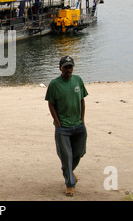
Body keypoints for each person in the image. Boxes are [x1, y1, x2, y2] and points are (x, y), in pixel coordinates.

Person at [45, 56, 88, 197]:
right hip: (63, 127)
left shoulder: (78, 80)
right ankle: (70, 184)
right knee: (66, 156)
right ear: (60, 68)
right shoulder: (54, 84)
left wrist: (82, 119)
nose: (68, 70)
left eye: (70, 67)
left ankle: (69, 171)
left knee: (79, 153)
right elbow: (50, 103)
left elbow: (82, 100)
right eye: (65, 67)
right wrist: (57, 121)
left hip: (79, 125)